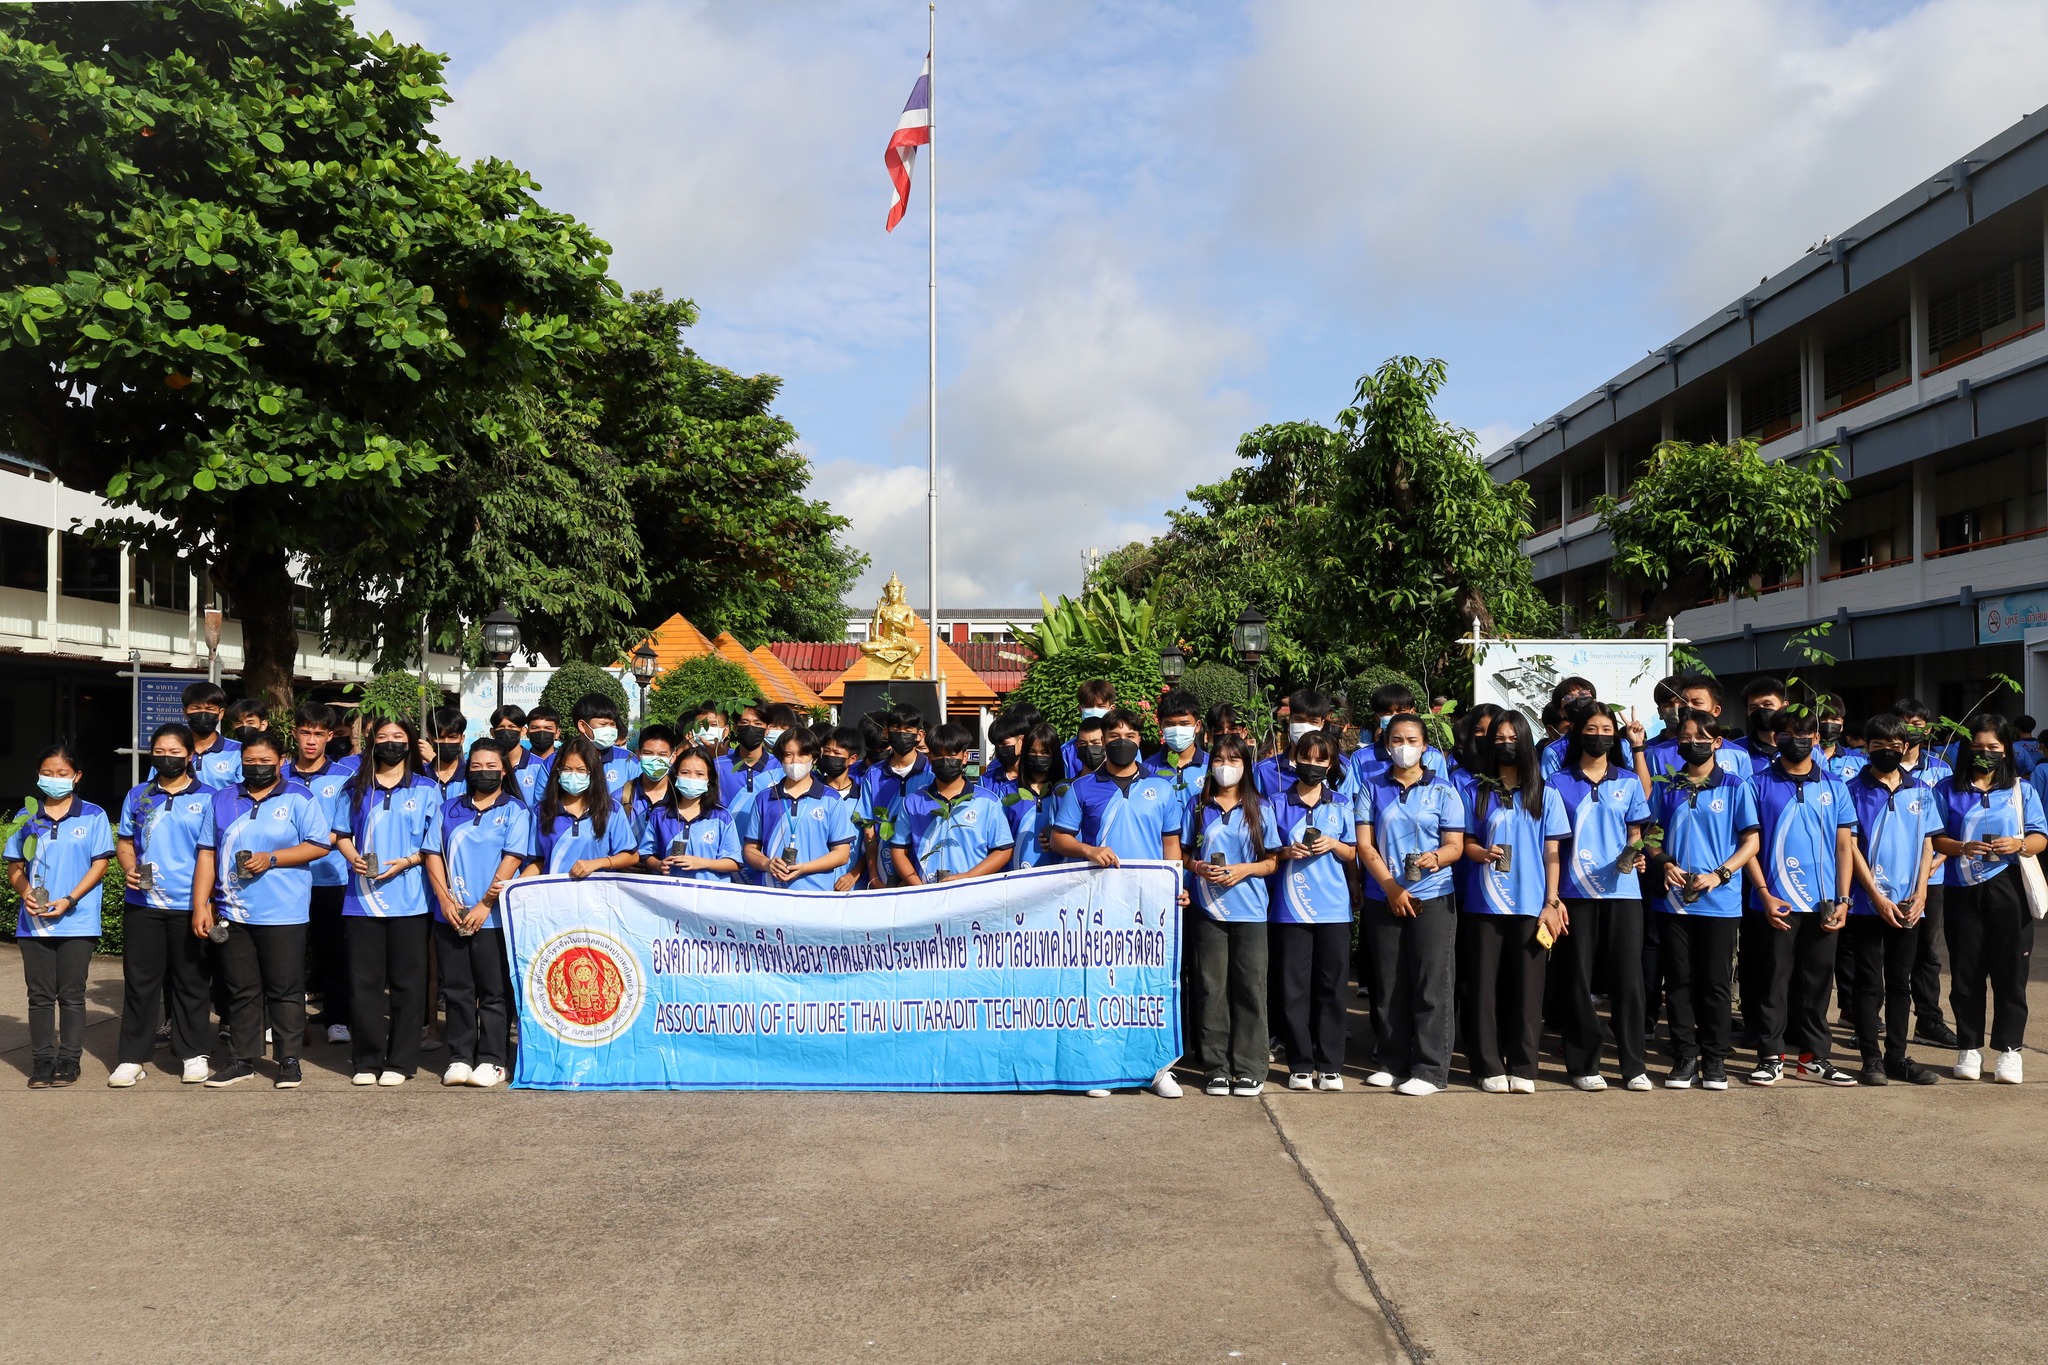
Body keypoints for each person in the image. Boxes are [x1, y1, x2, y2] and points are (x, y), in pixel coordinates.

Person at [1049, 707, 1187, 1098]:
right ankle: (1101, 1068)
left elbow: (1171, 847)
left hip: (1150, 904)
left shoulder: (1162, 788)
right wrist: (1088, 850)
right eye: (1113, 736)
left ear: (1140, 739)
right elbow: (1060, 839)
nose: (1121, 741)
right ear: (1104, 741)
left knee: (1150, 984)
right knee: (1101, 983)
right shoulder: (1081, 787)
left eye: (1129, 734)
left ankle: (1157, 1069)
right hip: (1097, 902)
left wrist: (1177, 884)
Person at [191, 732, 331, 1088]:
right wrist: (200, 905)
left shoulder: (299, 797)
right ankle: (241, 1059)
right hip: (232, 911)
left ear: (281, 761)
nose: (257, 767)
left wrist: (272, 858)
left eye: (265, 761)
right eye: (249, 761)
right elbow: (207, 852)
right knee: (241, 989)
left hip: (284, 912)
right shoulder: (223, 798)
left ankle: (288, 1059)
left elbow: (317, 845)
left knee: (284, 988)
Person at [1740, 709, 1857, 1087]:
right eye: (1788, 734)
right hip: (1777, 903)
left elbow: (1844, 846)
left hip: (1823, 903)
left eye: (1805, 734)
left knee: (1818, 982)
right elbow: (1749, 846)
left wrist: (1843, 898)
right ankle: (1770, 1056)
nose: (1797, 740)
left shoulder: (1835, 786)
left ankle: (1813, 1058)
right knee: (1772, 980)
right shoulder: (1755, 785)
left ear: (1817, 739)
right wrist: (1763, 893)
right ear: (1776, 738)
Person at [1931, 713, 2048, 1084]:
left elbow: (2040, 837)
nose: (1985, 754)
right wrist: (1962, 846)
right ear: (1966, 750)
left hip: (2009, 888)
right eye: (1978, 748)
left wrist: (2019, 844)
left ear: (2006, 750)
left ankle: (2010, 1051)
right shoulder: (1947, 789)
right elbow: (1935, 839)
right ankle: (1969, 1046)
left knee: (2011, 972)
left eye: (1993, 748)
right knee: (1966, 972)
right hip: (1963, 891)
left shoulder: (2020, 790)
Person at [1355, 714, 1467, 1098]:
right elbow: (1365, 845)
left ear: (1425, 746)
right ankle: (1391, 1061)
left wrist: (1436, 857)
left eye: (1413, 739)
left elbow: (1456, 845)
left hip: (1433, 895)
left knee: (1430, 982)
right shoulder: (1372, 787)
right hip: (1382, 895)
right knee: (1388, 982)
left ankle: (1430, 1069)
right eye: (1397, 739)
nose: (1405, 746)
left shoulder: (1444, 791)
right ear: (1387, 745)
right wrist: (1389, 887)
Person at [1544, 704, 1654, 1091]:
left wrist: (1635, 855)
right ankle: (1583, 1063)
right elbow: (1552, 843)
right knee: (1576, 979)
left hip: (1622, 893)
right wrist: (1553, 897)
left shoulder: (1627, 782)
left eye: (1607, 728)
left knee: (1628, 979)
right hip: (1574, 893)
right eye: (1592, 728)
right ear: (1578, 734)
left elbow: (1636, 834)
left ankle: (1633, 1064)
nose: (1600, 735)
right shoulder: (1557, 782)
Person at [1649, 709, 1761, 1091]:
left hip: (1720, 901)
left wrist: (1721, 874)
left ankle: (1715, 1060)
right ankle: (1683, 1056)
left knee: (1714, 983)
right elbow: (1649, 836)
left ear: (1717, 742)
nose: (1692, 743)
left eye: (1701, 737)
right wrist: (1664, 863)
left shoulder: (1735, 786)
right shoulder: (1666, 786)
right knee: (1678, 981)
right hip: (1673, 901)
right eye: (1686, 737)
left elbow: (1751, 841)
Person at [1459, 712, 1568, 1094]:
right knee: (1483, 988)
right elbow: (1464, 844)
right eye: (1498, 737)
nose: (1506, 743)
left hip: (1530, 904)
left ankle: (1523, 1065)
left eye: (1513, 737)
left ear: (1525, 742)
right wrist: (1479, 853)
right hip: (1483, 904)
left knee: (1527, 990)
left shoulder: (1545, 793)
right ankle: (1487, 1064)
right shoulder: (1475, 791)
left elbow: (1552, 852)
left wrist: (1551, 902)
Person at [334, 717, 443, 1087]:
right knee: (364, 982)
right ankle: (366, 1059)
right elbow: (341, 834)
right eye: (383, 737)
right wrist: (353, 858)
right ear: (371, 742)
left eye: (398, 737)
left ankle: (401, 1061)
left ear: (410, 743)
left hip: (411, 900)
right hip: (361, 901)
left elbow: (432, 844)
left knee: (407, 984)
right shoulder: (355, 787)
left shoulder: (428, 788)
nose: (391, 743)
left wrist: (407, 861)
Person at [110, 723, 216, 1087]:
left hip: (190, 903)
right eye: (160, 751)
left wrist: (207, 902)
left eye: (175, 752)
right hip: (144, 902)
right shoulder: (138, 795)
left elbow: (212, 853)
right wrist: (128, 868)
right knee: (141, 982)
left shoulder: (211, 797)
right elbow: (125, 842)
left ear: (189, 755)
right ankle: (132, 1057)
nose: (167, 757)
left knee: (191, 980)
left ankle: (192, 1053)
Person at [423, 738, 532, 1088]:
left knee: (494, 991)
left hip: (494, 918)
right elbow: (432, 854)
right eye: (476, 766)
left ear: (504, 770)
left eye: (491, 767)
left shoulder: (516, 810)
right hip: (451, 914)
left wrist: (486, 904)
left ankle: (493, 1059)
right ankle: (459, 1056)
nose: (483, 772)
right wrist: (444, 900)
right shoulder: (448, 808)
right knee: (456, 989)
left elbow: (512, 858)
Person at [1844, 713, 1942, 1086]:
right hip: (1868, 904)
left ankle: (1897, 1057)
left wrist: (1921, 893)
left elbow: (1927, 844)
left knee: (1901, 982)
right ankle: (1871, 1059)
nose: (1887, 752)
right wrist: (1875, 896)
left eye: (1894, 747)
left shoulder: (1920, 790)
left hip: (1908, 904)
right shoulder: (1851, 790)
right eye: (1878, 746)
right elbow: (1850, 846)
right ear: (1866, 748)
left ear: (1905, 747)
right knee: (1870, 983)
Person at [7, 744, 114, 1088]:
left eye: (62, 773)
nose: (54, 779)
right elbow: (15, 867)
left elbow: (100, 864)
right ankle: (41, 1061)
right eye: (48, 773)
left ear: (77, 776)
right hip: (33, 923)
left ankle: (69, 1060)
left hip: (77, 920)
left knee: (71, 994)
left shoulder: (93, 815)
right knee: (39, 996)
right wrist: (25, 893)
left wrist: (70, 899)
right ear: (38, 775)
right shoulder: (26, 817)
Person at [1183, 734, 1276, 1097]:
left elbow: (1273, 861)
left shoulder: (1260, 807)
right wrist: (1198, 868)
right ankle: (1216, 1067)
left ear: (1246, 766)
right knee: (1210, 987)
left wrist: (1245, 870)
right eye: (1219, 760)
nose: (1226, 767)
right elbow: (1183, 854)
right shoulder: (1197, 806)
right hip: (1208, 909)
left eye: (1234, 760)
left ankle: (1251, 1065)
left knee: (1251, 987)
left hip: (1250, 911)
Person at [1267, 730, 1358, 1093]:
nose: (1313, 764)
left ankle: (1331, 1064)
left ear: (1331, 763)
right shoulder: (1275, 802)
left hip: (1333, 909)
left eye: (1322, 759)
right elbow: (1266, 853)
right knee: (1293, 988)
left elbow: (1354, 854)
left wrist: (1334, 843)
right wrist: (1286, 853)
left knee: (1333, 987)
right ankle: (1301, 1063)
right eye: (1306, 757)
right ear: (1294, 758)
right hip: (1289, 909)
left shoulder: (1341, 805)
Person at [1893, 698, 1959, 1050]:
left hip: (1931, 877)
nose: (1911, 728)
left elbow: (1945, 829)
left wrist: (1933, 864)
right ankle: (1873, 1019)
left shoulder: (1941, 770)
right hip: (1886, 878)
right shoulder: (1873, 767)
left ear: (1928, 729)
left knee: (1927, 953)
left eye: (1918, 722)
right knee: (1885, 953)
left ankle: (1929, 1019)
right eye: (1904, 722)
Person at [288, 702, 356, 1045]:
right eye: (305, 732)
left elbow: (347, 828)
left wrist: (312, 842)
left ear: (330, 736)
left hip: (332, 878)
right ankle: (286, 1021)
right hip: (285, 880)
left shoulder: (345, 777)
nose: (311, 741)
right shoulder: (279, 774)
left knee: (333, 951)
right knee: (289, 955)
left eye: (318, 734)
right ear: (295, 733)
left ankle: (338, 1018)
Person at [889, 723, 1014, 883]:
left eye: (952, 755)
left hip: (973, 893)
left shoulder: (988, 801)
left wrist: (968, 877)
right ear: (930, 758)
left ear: (964, 757)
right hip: (925, 894)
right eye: (939, 756)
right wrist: (919, 888)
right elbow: (899, 850)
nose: (946, 761)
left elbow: (1003, 850)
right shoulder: (913, 802)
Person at [744, 727, 858, 891]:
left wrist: (805, 867)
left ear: (814, 757)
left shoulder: (831, 799)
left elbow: (841, 854)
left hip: (815, 894)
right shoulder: (765, 798)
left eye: (802, 754)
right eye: (788, 755)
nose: (795, 761)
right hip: (770, 892)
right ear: (781, 758)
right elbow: (749, 849)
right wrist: (767, 863)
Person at [528, 735, 640, 879]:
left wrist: (598, 863)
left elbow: (631, 856)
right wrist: (509, 886)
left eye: (581, 770)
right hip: (555, 896)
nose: (573, 775)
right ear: (557, 772)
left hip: (596, 896)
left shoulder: (611, 810)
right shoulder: (542, 811)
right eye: (567, 769)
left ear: (593, 773)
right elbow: (538, 861)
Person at [639, 746, 743, 883]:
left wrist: (702, 863)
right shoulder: (660, 815)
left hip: (710, 896)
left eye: (700, 774)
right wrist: (658, 865)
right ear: (675, 776)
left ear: (709, 779)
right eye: (685, 772)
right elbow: (647, 854)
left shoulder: (722, 817)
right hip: (669, 894)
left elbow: (734, 863)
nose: (692, 778)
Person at [863, 706, 932, 886]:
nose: (902, 734)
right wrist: (873, 876)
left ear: (919, 735)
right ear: (886, 732)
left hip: (922, 872)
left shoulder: (932, 772)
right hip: (883, 869)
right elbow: (868, 828)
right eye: (896, 729)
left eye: (908, 730)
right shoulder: (873, 774)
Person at [997, 722, 1065, 870]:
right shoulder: (1007, 792)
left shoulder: (1065, 791)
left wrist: (1059, 841)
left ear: (1055, 755)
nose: (1038, 757)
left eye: (1045, 752)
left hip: (1058, 878)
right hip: (1015, 876)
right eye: (1033, 752)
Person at [1256, 690, 1345, 801]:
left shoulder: (1341, 768)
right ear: (1290, 719)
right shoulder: (1265, 770)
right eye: (1299, 720)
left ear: (1322, 723)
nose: (1305, 727)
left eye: (1313, 721)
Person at [717, 701, 784, 841]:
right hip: (725, 853)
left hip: (766, 855)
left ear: (767, 729)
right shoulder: (717, 766)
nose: (751, 728)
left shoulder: (781, 768)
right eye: (744, 723)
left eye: (758, 724)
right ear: (735, 727)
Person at [818, 727, 871, 890]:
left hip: (852, 885)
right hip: (816, 882)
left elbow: (870, 840)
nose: (830, 756)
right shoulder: (812, 791)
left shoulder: (863, 795)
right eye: (827, 751)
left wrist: (854, 874)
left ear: (852, 759)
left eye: (837, 753)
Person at [1148, 688, 1209, 821]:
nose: (1177, 730)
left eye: (1184, 723)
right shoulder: (1147, 769)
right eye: (1170, 724)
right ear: (1161, 726)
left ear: (1197, 726)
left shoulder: (1212, 767)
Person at [619, 723, 678, 848]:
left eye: (662, 755)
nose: (655, 760)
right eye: (648, 753)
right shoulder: (621, 797)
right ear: (638, 754)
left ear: (673, 757)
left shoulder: (682, 797)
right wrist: (623, 861)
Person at [570, 692, 635, 794]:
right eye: (603, 724)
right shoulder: (556, 760)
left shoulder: (629, 760)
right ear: (582, 726)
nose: (609, 729)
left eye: (612, 724)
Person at [182, 681, 242, 788]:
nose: (203, 714)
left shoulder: (239, 751)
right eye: (196, 708)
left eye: (209, 709)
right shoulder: (171, 751)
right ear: (185, 712)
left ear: (221, 713)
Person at [1061, 678, 1118, 775]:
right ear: (1080, 709)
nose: (1094, 711)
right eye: (1088, 706)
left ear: (1112, 709)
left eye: (1101, 706)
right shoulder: (1067, 750)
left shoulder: (1124, 746)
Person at [518, 704, 564, 805]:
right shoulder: (517, 765)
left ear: (557, 734)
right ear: (527, 733)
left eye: (548, 728)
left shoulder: (565, 762)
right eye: (535, 728)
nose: (541, 732)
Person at [424, 707, 470, 806]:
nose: (446, 742)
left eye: (452, 737)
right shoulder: (420, 774)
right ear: (431, 739)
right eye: (440, 738)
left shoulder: (471, 775)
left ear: (462, 739)